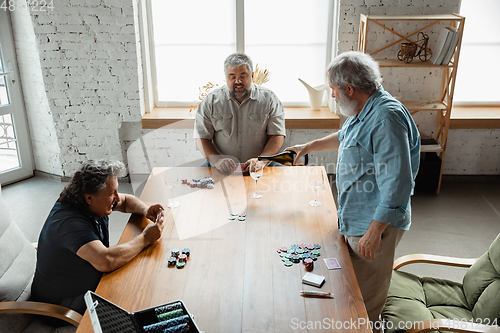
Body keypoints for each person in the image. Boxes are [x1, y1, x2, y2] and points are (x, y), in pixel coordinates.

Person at [285, 51, 420, 329]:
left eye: (333, 91)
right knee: (349, 282)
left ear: (349, 89)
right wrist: (307, 147)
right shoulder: (364, 110)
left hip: (374, 225)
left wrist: (373, 233)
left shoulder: (386, 119)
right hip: (357, 217)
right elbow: (345, 136)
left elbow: (398, 185)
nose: (332, 96)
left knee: (363, 301)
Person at [31, 160, 165, 318]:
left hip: (86, 281)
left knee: (142, 279)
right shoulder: (70, 224)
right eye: (112, 193)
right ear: (89, 198)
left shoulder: (93, 201)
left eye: (116, 191)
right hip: (60, 305)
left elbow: (126, 201)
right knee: (137, 295)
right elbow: (106, 260)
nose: (116, 197)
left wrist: (145, 209)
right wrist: (145, 238)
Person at [194, 52, 286, 174]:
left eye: (243, 76)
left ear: (252, 75)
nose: (238, 81)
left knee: (286, 183)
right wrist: (217, 161)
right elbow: (202, 137)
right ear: (225, 77)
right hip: (220, 165)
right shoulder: (210, 101)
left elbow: (277, 135)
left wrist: (262, 161)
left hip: (260, 164)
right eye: (232, 77)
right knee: (196, 184)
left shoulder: (269, 99)